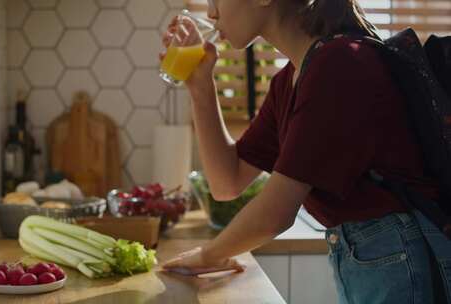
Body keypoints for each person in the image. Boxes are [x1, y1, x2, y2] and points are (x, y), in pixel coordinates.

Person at [159, 0, 449, 303]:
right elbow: (227, 182)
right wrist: (200, 84)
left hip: (403, 256)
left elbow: (276, 214)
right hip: (377, 258)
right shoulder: (292, 78)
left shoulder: (340, 63)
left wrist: (209, 254)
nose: (211, 13)